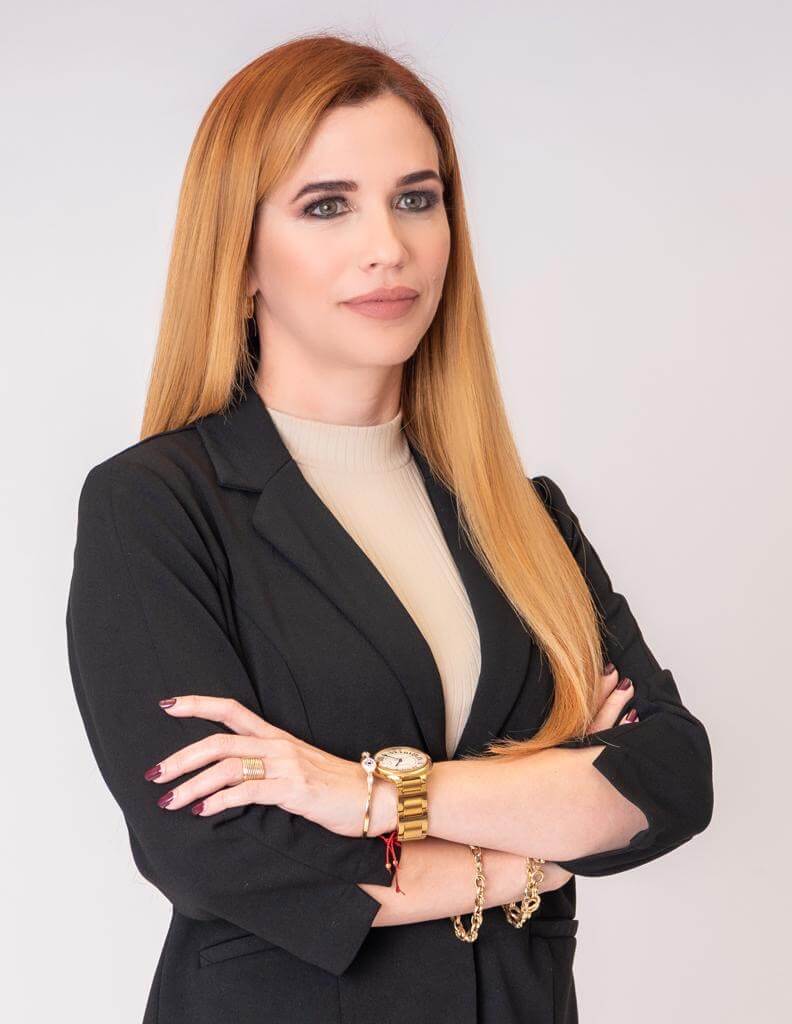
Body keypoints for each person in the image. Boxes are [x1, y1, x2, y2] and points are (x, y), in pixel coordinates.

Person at [66, 34, 714, 1024]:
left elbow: (669, 780)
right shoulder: (157, 505)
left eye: (416, 198)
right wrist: (539, 844)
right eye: (328, 205)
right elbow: (219, 855)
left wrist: (369, 797)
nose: (390, 246)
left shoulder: (522, 515)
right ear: (239, 255)